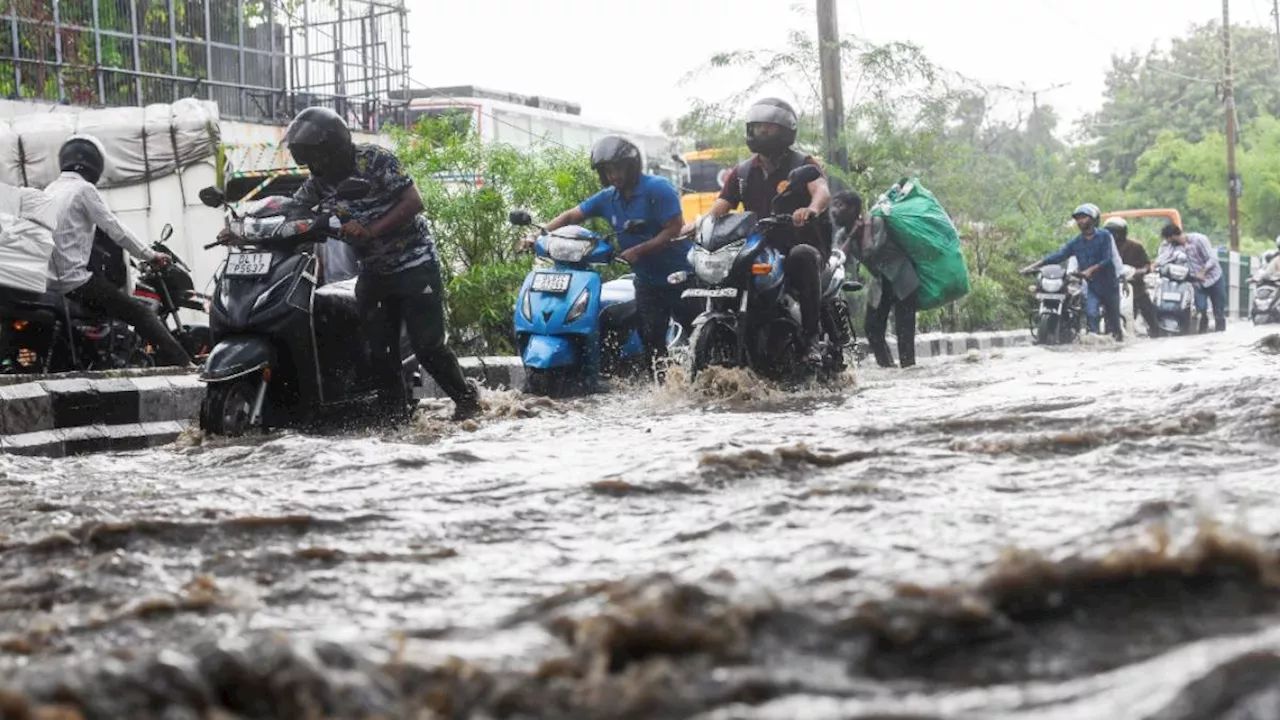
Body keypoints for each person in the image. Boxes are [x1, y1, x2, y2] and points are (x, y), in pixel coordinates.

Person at [284, 106, 480, 422]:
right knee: (380, 354)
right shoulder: (319, 181)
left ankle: (467, 400)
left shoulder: (375, 160)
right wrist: (247, 227)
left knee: (428, 346)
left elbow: (415, 201)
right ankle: (394, 422)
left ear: (333, 150)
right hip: (374, 272)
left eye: (316, 158)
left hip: (415, 264)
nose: (314, 167)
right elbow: (294, 208)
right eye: (309, 161)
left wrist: (370, 230)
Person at [525, 135, 693, 384]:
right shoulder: (608, 198)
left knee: (696, 332)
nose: (614, 175)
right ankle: (665, 389)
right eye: (607, 170)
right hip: (647, 280)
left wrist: (640, 250)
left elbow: (674, 229)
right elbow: (572, 215)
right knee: (651, 338)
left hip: (680, 275)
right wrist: (539, 233)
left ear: (631, 165)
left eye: (618, 168)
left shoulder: (657, 188)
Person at [679, 98, 832, 365]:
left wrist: (810, 210)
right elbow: (722, 205)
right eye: (758, 128)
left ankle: (810, 340)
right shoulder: (743, 171)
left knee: (802, 256)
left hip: (800, 241)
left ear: (785, 132)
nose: (761, 133)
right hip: (759, 246)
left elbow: (821, 190)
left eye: (768, 129)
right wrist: (700, 222)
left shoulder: (802, 163)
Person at [44, 135, 195, 369]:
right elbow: (115, 230)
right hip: (76, 283)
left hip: (49, 284)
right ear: (95, 164)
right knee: (142, 314)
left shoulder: (50, 190)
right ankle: (187, 366)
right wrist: (150, 255)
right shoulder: (84, 190)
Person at [832, 190, 918, 368]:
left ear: (853, 208)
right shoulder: (842, 234)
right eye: (834, 205)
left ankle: (909, 373)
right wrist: (852, 234)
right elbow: (840, 258)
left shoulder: (877, 223)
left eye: (840, 205)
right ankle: (888, 369)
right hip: (880, 283)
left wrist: (867, 226)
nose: (834, 210)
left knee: (904, 333)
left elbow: (869, 252)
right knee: (872, 329)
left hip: (902, 279)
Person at [1021, 203, 1123, 340]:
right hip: (1092, 286)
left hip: (1109, 285)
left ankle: (1117, 342)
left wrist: (1090, 270)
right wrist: (1033, 266)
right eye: (1078, 218)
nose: (1080, 221)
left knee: (1114, 321)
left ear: (1093, 220)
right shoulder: (1075, 242)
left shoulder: (1104, 236)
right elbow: (1058, 256)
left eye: (1084, 218)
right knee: (1091, 314)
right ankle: (1096, 344)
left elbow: (1107, 259)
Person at [1155, 224, 1226, 333]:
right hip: (1197, 283)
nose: (1168, 241)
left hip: (1214, 279)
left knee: (1219, 312)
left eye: (1169, 238)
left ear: (1174, 236)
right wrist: (1153, 265)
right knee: (1201, 310)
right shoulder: (1174, 246)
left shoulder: (1199, 239)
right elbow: (1164, 257)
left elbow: (1212, 258)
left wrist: (1202, 272)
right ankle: (1202, 334)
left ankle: (1220, 336)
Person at [1103, 216, 1162, 338]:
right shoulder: (1103, 247)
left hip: (1136, 288)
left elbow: (1147, 265)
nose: (1112, 235)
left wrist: (1138, 272)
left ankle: (1156, 333)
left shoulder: (1135, 247)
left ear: (1122, 232)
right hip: (1112, 286)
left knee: (1148, 312)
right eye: (1109, 232)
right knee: (1107, 312)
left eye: (1115, 232)